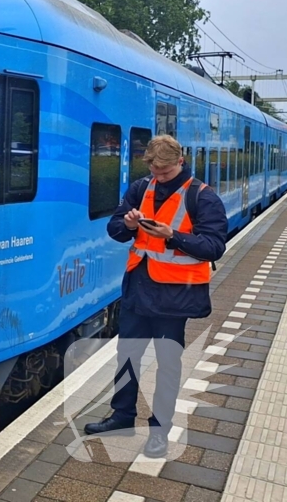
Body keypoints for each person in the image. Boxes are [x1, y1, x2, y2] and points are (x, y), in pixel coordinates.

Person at [84, 134, 227, 458]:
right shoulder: (140, 188)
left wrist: (173, 236)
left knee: (167, 364)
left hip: (175, 296)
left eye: (165, 172)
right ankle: (121, 417)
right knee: (127, 357)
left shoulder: (202, 197)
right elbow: (115, 229)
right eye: (155, 171)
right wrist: (130, 224)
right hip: (138, 289)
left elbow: (215, 246)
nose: (159, 177)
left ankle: (159, 431)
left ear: (180, 161)